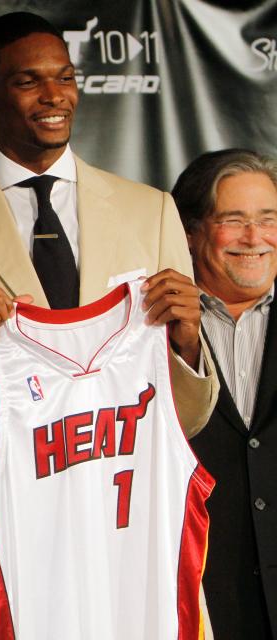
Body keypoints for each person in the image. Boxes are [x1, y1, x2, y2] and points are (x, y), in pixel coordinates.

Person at [0, 12, 217, 638]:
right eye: (28, 82)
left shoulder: (150, 211)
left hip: (135, 526)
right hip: (18, 532)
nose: (54, 97)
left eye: (65, 78)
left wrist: (185, 346)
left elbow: (190, 418)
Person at [173, 148, 277, 639]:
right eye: (233, 220)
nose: (255, 238)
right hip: (203, 601)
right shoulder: (155, 329)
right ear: (191, 233)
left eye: (268, 219)